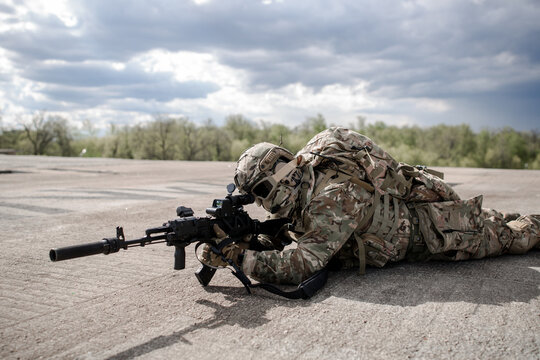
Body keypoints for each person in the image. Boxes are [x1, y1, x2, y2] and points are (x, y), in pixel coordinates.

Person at [200, 127, 539, 285]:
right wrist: (240, 240)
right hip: (428, 222)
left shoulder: (331, 198)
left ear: (286, 174)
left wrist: (240, 257)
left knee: (516, 236)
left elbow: (301, 263)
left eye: (261, 191)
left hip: (436, 233)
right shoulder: (310, 180)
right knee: (497, 219)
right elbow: (296, 237)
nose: (260, 203)